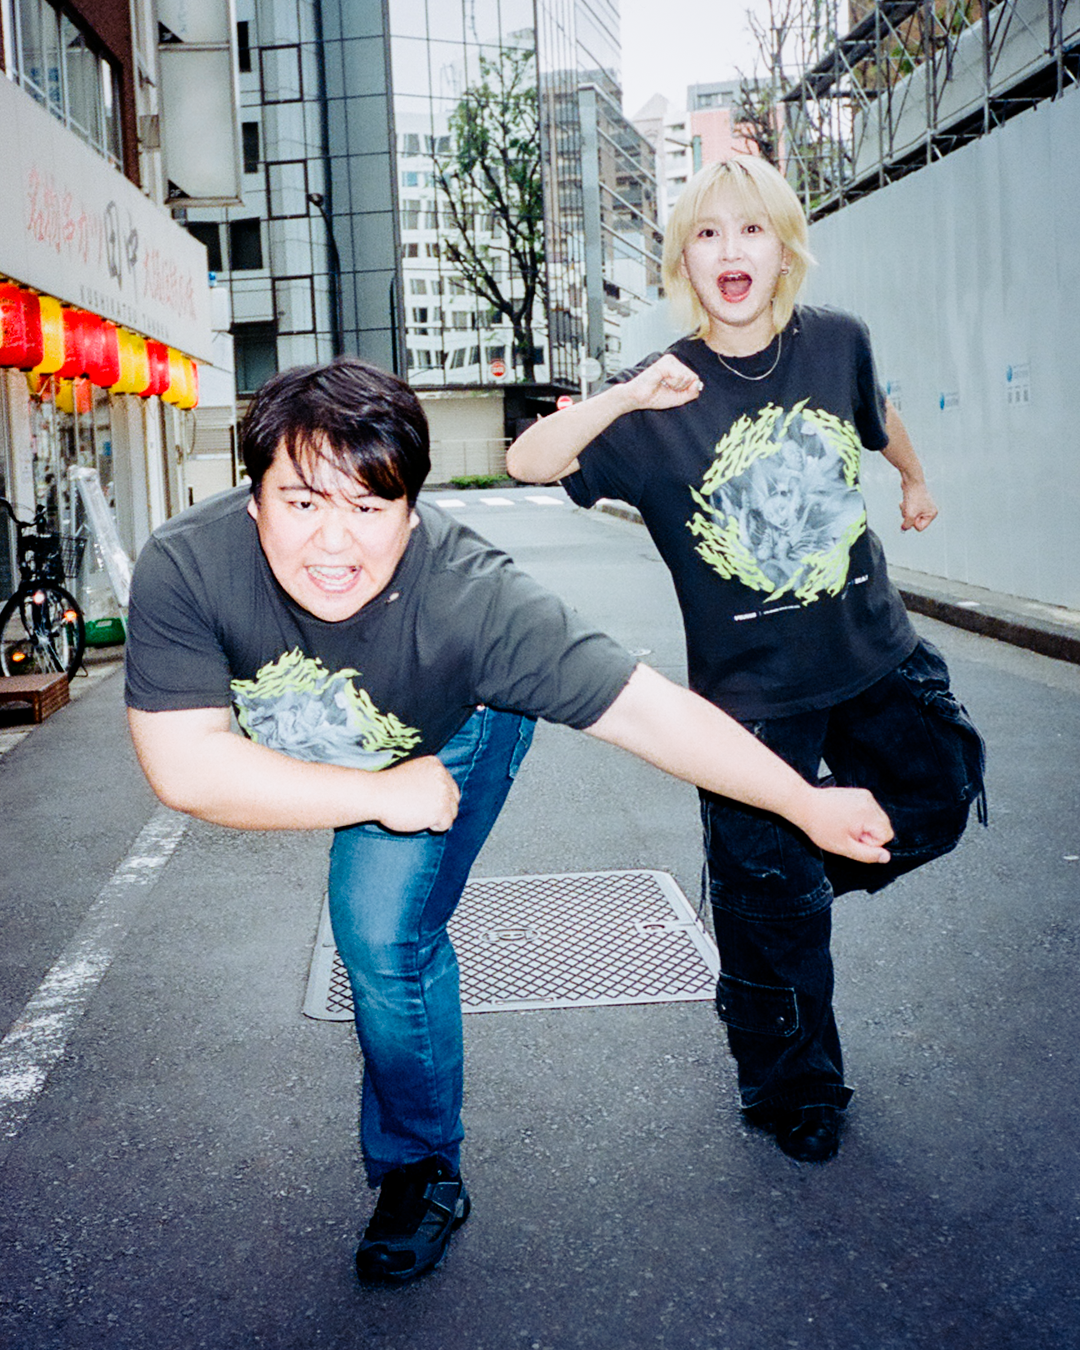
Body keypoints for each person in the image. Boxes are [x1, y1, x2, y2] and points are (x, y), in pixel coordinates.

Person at [125, 357, 893, 1285]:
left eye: (368, 506)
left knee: (383, 935)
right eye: (301, 502)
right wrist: (375, 794)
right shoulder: (188, 566)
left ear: (413, 511)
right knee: (382, 886)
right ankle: (419, 1136)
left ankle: (420, 1171)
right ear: (253, 501)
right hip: (377, 771)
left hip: (451, 730)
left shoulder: (476, 602)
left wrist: (804, 800)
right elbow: (185, 765)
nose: (332, 542)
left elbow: (648, 711)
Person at [507, 154, 986, 1167]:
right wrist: (626, 396)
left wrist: (914, 480)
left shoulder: (838, 341)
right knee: (775, 913)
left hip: (873, 652)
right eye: (709, 233)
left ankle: (769, 899)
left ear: (784, 250)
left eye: (752, 229)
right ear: (687, 260)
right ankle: (794, 1085)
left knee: (942, 797)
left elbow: (878, 413)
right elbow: (530, 460)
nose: (732, 249)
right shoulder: (658, 395)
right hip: (752, 700)